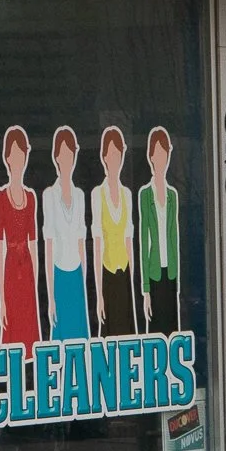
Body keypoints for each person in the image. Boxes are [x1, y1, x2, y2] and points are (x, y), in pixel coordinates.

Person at [42, 126, 92, 341]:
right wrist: (51, 295)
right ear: (56, 158)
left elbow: (82, 241)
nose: (66, 160)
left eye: (70, 155)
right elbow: (49, 245)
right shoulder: (49, 195)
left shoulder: (80, 195)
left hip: (76, 274)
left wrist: (84, 280)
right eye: (62, 155)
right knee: (61, 339)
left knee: (80, 339)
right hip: (60, 274)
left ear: (74, 157)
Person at [0, 125, 40, 351]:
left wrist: (36, 286)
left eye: (22, 154)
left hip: (28, 273)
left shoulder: (31, 198)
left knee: (30, 335)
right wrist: (1, 299)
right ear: (7, 158)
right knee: (12, 335)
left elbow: (34, 245)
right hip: (11, 271)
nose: (18, 160)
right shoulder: (1, 198)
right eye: (14, 155)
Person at [93, 124, 136, 336]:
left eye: (118, 154)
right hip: (108, 274)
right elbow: (97, 244)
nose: (114, 160)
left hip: (124, 273)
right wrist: (99, 293)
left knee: (127, 332)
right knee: (110, 334)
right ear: (104, 157)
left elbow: (129, 241)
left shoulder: (127, 194)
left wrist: (133, 280)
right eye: (110, 155)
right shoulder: (97, 194)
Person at [139, 124, 180, 333]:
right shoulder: (145, 194)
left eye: (164, 154)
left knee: (172, 325)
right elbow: (144, 241)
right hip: (154, 271)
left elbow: (173, 237)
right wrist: (145, 288)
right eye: (157, 154)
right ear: (151, 157)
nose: (161, 159)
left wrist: (178, 277)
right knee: (156, 327)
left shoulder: (173, 195)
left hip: (170, 271)